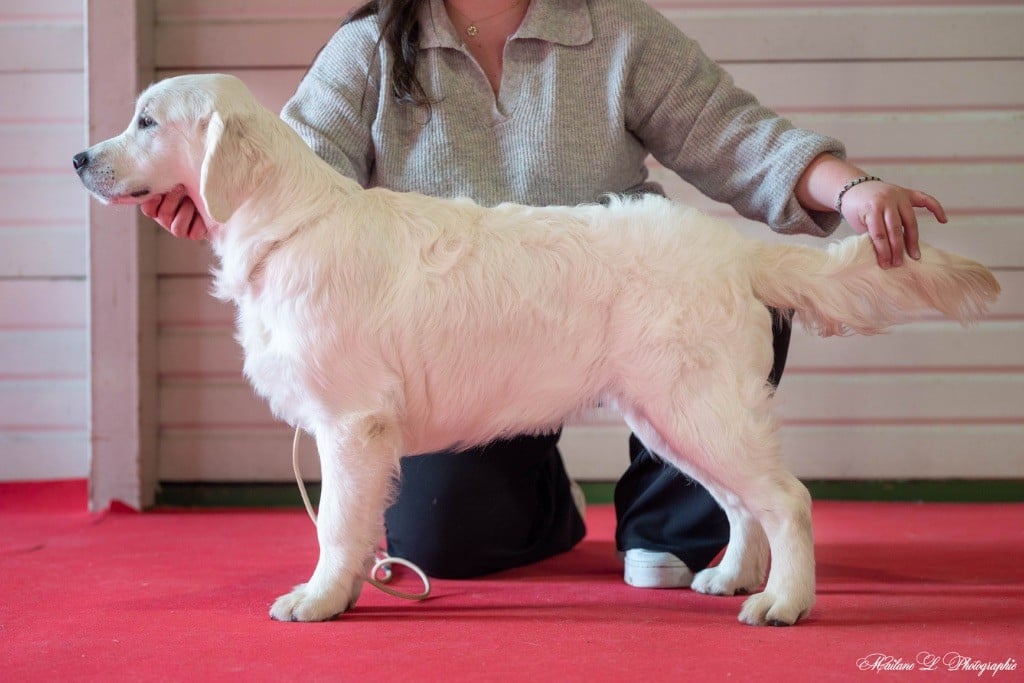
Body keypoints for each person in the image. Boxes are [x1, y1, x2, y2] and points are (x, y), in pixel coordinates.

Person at [144, 0, 946, 586]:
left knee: (731, 326)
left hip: (627, 296)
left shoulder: (616, 28)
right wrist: (211, 198)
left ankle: (671, 520)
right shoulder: (368, 49)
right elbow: (295, 170)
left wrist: (853, 190)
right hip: (465, 338)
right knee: (443, 544)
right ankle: (542, 499)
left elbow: (736, 135)